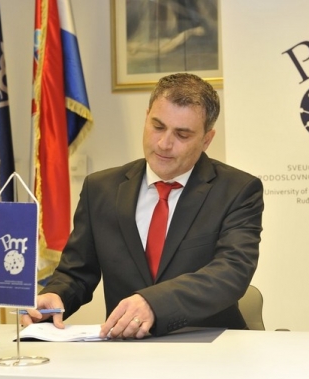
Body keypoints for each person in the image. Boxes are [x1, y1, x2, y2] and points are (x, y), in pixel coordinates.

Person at [22, 73, 264, 339]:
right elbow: (77, 272)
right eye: (157, 126)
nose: (164, 144)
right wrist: (56, 295)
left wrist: (154, 303)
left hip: (211, 346)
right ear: (146, 117)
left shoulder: (237, 190)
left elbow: (231, 272)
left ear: (207, 139)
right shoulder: (100, 189)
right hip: (126, 346)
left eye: (182, 134)